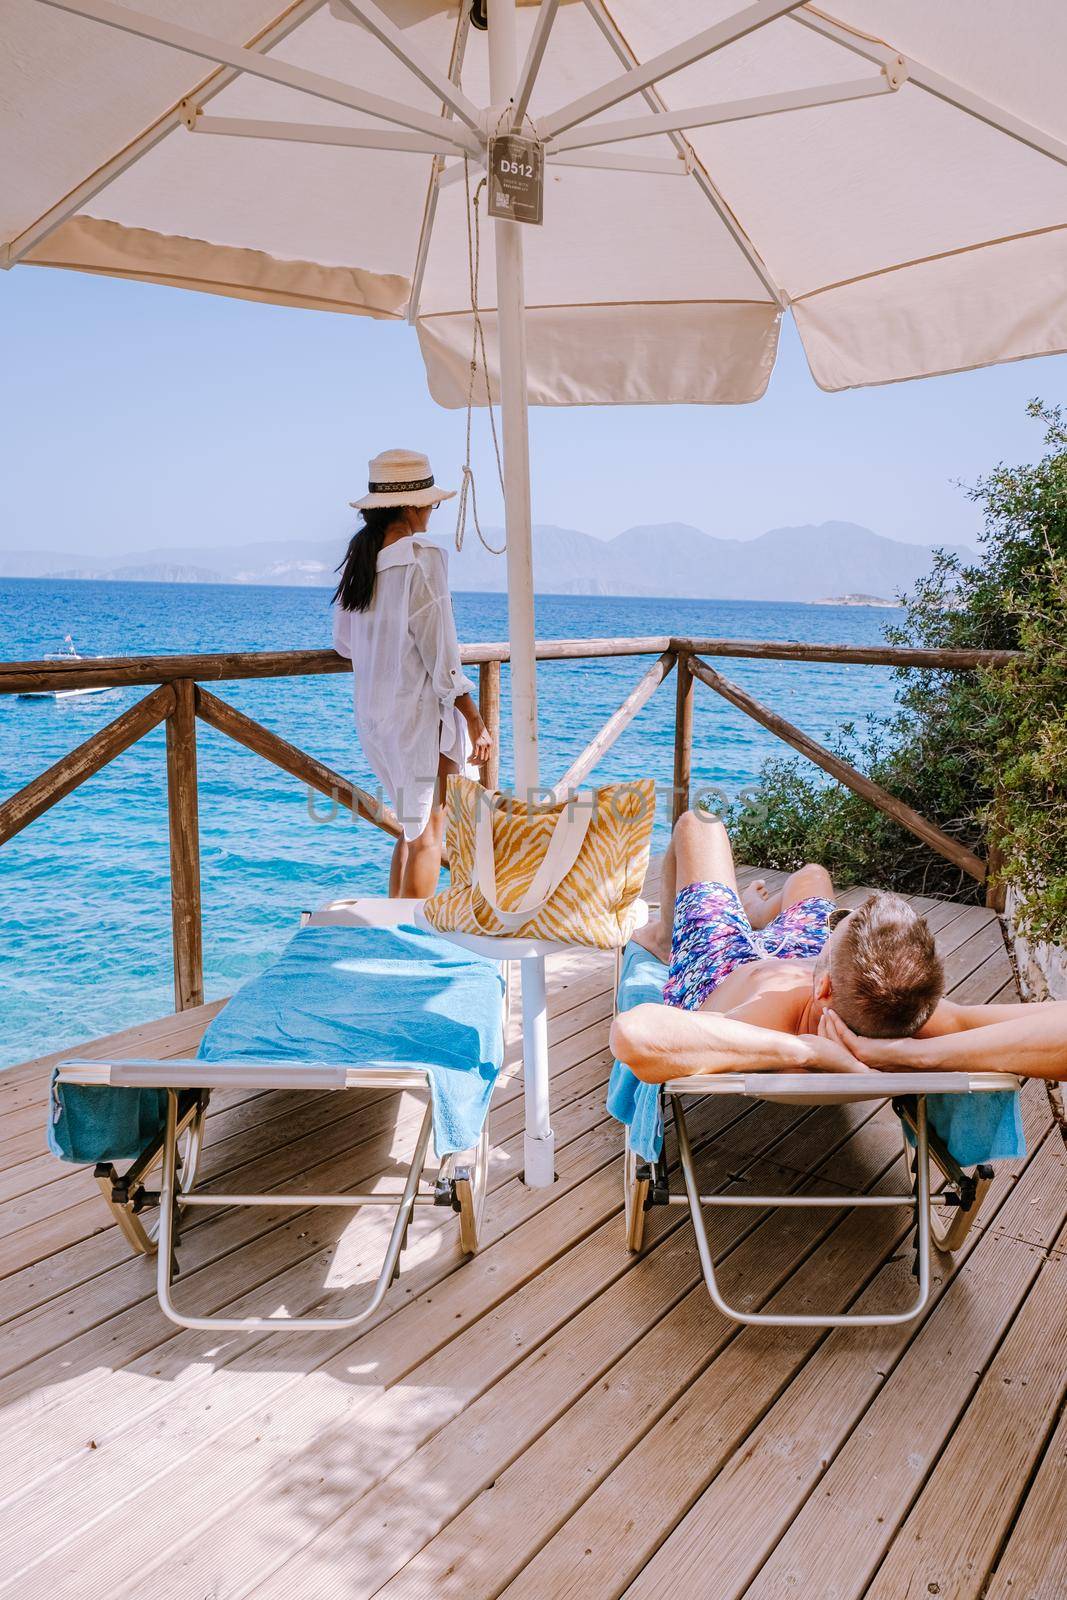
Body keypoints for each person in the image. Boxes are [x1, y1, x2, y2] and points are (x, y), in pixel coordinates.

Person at [612, 808, 947, 1081]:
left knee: (698, 823)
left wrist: (807, 1050)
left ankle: (662, 938)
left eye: (836, 926)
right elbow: (1002, 1031)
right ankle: (756, 912)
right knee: (812, 875)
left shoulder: (754, 1025)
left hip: (719, 960)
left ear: (825, 986)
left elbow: (632, 1033)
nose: (833, 921)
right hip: (804, 956)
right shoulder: (911, 1005)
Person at [332, 448, 492, 898]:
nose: (431, 513)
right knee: (429, 837)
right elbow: (441, 651)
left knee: (409, 830)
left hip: (376, 718)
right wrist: (474, 718)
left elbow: (344, 643)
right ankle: (411, 942)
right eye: (430, 504)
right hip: (417, 713)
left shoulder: (364, 559)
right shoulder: (421, 557)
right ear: (409, 506)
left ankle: (392, 930)